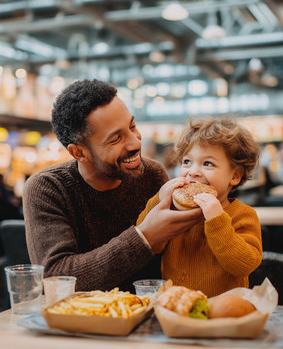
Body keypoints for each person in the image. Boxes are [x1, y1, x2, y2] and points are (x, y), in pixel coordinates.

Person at [23, 79, 201, 292]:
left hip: (150, 314)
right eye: (116, 139)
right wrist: (144, 236)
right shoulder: (48, 188)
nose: (136, 143)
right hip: (80, 321)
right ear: (79, 152)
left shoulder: (152, 175)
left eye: (132, 126)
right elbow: (56, 278)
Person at [137, 116, 262, 297]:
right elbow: (149, 244)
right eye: (187, 161)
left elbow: (243, 265)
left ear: (235, 175)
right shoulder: (173, 210)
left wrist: (217, 220)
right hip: (176, 308)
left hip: (221, 315)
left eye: (207, 163)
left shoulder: (243, 215)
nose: (192, 171)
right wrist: (159, 200)